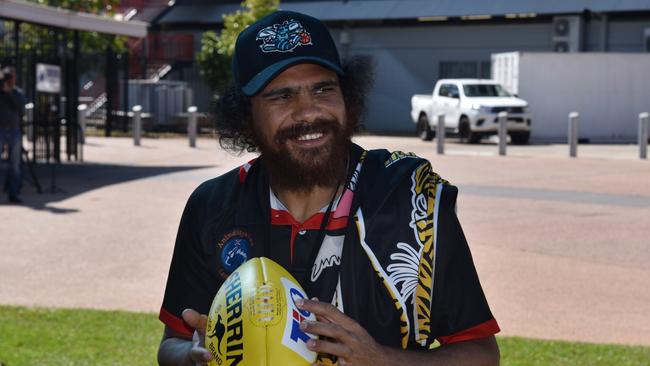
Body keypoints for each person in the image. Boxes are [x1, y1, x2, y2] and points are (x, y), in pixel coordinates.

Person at [158, 10, 500, 366]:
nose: (308, 112)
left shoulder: (413, 200)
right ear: (247, 116)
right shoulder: (212, 205)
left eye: (323, 89)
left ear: (347, 97)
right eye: (282, 96)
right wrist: (194, 356)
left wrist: (382, 360)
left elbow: (481, 354)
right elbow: (173, 343)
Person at [0, 66, 26, 204]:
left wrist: (9, 92)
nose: (10, 80)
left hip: (14, 130)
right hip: (0, 129)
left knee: (14, 164)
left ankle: (13, 193)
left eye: (12, 77)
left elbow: (21, 109)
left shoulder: (17, 92)